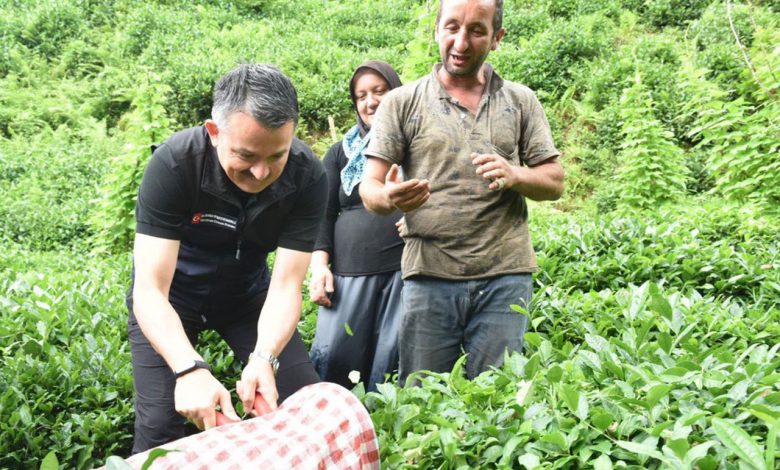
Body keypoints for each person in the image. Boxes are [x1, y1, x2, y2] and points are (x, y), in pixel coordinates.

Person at [359, 0, 565, 383]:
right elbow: (369, 188)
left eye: (477, 30)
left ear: (497, 38)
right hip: (429, 275)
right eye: (452, 27)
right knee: (423, 396)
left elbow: (554, 181)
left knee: (498, 398)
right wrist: (389, 197)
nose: (462, 41)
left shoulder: (521, 101)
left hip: (506, 275)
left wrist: (515, 175)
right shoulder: (402, 103)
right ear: (436, 29)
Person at [127, 63, 327, 453]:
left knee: (300, 403)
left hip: (246, 298)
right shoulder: (175, 164)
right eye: (246, 154)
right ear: (214, 133)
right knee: (160, 428)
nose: (261, 171)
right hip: (174, 299)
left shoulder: (308, 176)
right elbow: (149, 290)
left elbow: (287, 283)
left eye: (277, 156)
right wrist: (189, 368)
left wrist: (265, 357)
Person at [308, 61, 404, 392]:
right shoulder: (339, 153)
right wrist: (320, 266)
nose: (370, 102)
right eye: (361, 95)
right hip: (347, 278)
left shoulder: (416, 143)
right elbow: (322, 213)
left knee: (389, 363)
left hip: (401, 276)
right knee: (333, 357)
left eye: (380, 91)